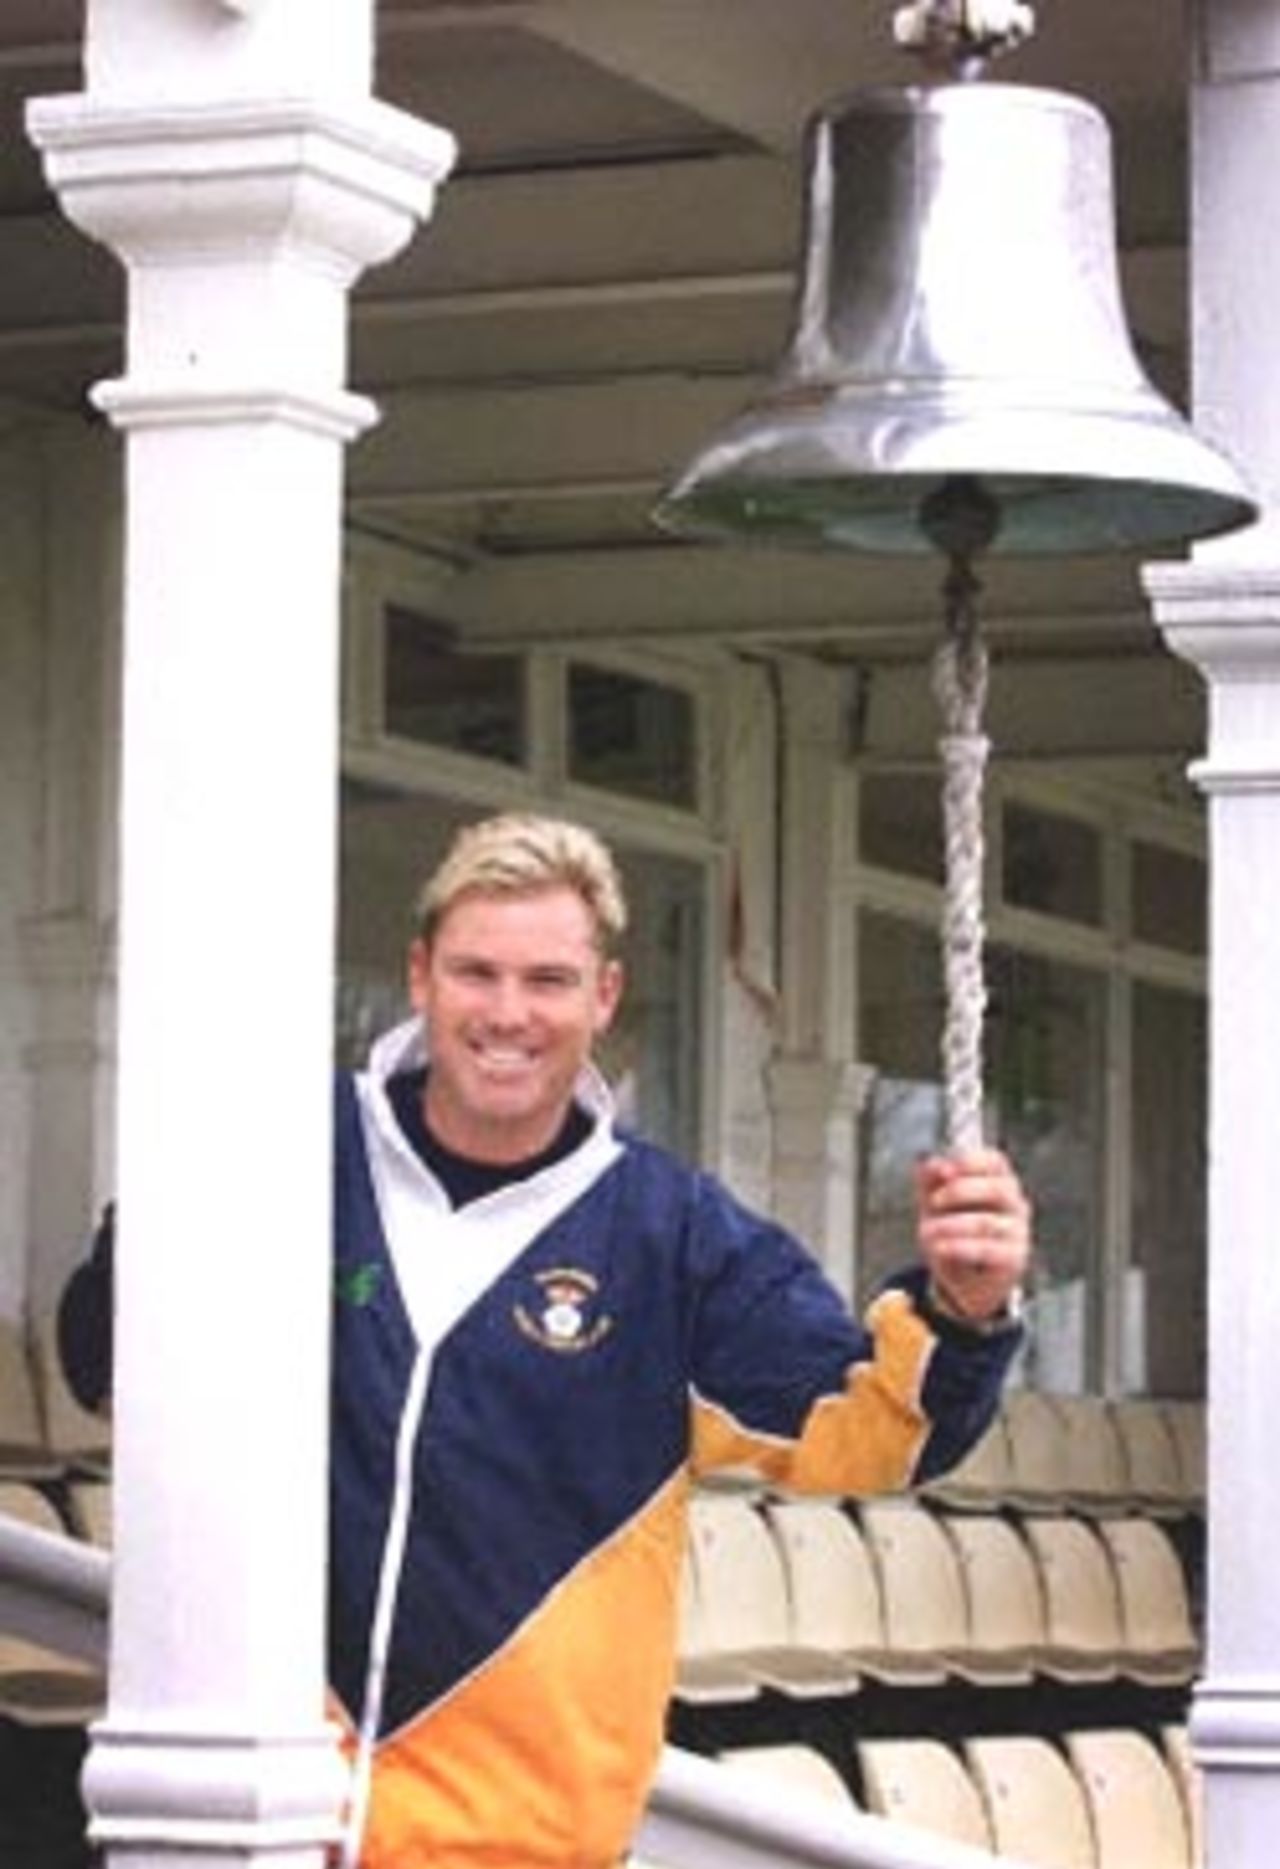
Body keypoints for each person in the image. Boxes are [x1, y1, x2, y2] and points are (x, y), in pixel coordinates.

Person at [60, 811, 1031, 1869]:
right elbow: (104, 1367)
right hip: (251, 1828)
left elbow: (876, 1430)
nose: (508, 1014)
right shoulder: (291, 1148)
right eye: (476, 973)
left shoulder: (675, 1238)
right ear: (421, 976)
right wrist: (181, 1167)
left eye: (548, 981)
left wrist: (963, 1309)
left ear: (603, 996)